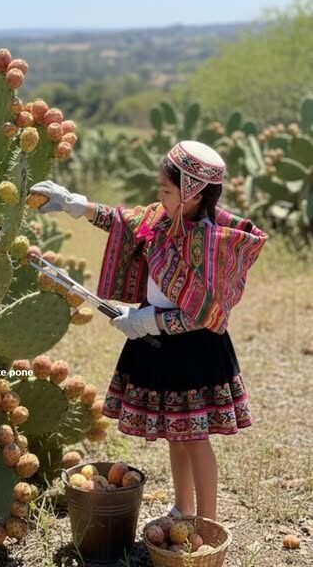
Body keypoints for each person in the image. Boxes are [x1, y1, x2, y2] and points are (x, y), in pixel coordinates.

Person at [29, 140, 268, 521]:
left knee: (195, 437)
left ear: (192, 193)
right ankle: (182, 508)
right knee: (176, 434)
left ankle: (206, 522)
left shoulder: (213, 243)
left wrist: (148, 321)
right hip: (159, 346)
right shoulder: (160, 221)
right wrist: (76, 204)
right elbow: (121, 219)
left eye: (166, 189)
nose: (159, 196)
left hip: (194, 352)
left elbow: (205, 316)